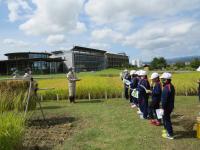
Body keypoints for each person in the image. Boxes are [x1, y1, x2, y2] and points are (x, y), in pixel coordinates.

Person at [160, 72, 175, 140]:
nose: (162, 81)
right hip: (170, 106)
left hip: (166, 107)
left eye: (163, 79)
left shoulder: (166, 88)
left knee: (167, 120)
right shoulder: (171, 86)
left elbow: (164, 100)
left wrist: (162, 108)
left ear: (166, 80)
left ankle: (170, 134)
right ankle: (168, 131)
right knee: (166, 119)